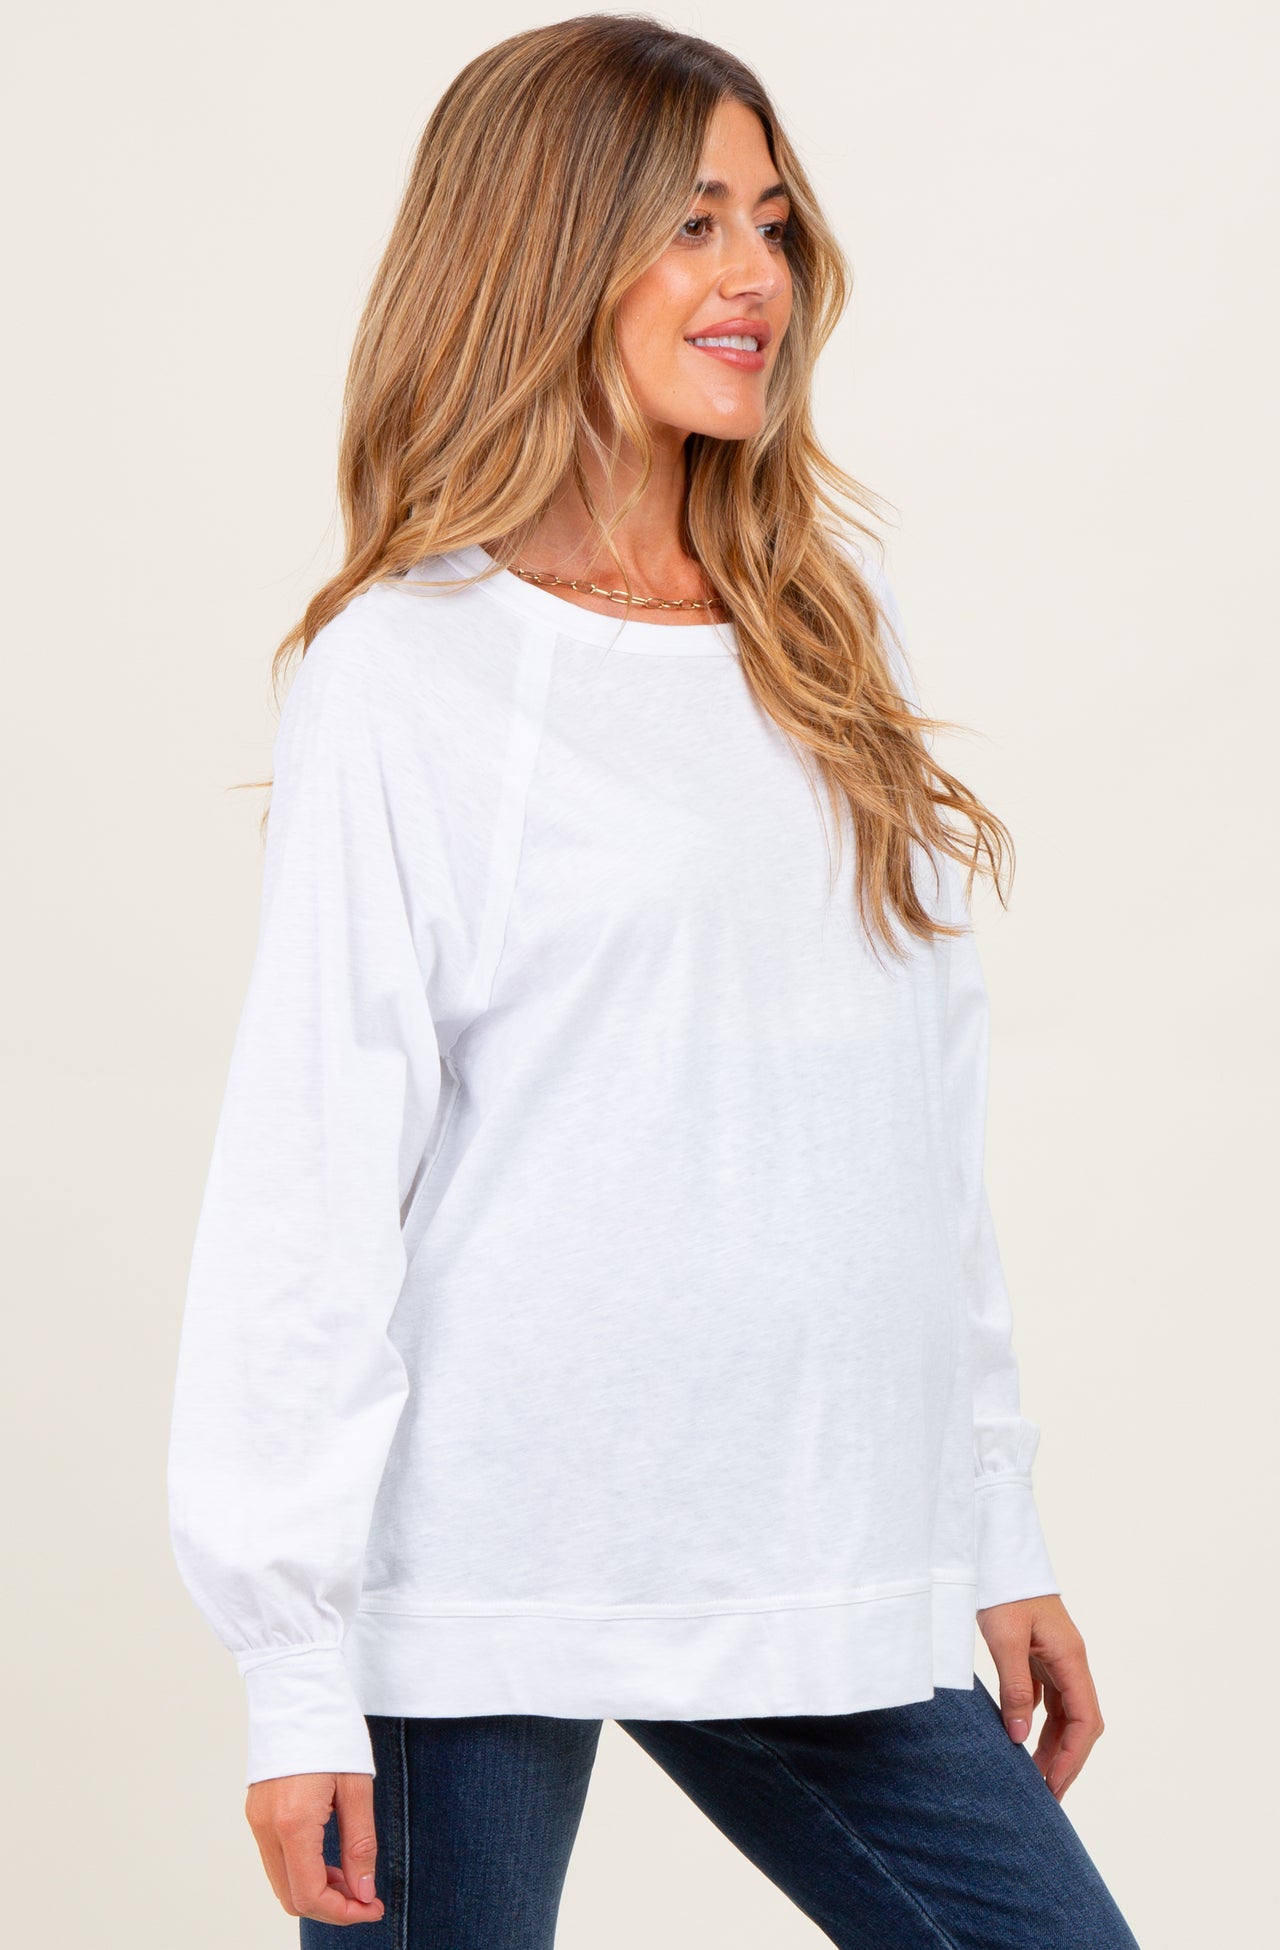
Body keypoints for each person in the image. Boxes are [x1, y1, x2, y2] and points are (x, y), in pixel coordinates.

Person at [165, 15, 1142, 1947]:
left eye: (771, 222)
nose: (753, 274)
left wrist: (990, 1517)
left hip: (809, 1544)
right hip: (476, 1570)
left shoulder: (827, 628)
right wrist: (293, 1667)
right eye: (693, 223)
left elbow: (918, 1123)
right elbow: (314, 1167)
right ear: (549, 249)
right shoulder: (406, 667)